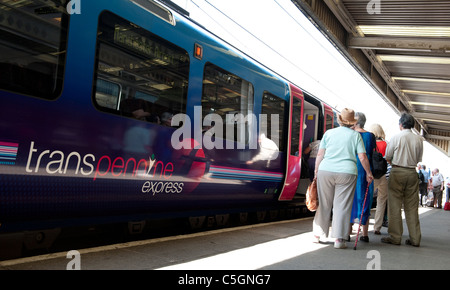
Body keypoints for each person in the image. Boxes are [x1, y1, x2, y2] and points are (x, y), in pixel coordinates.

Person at [312, 108, 373, 249]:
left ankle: (317, 235)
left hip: (326, 170)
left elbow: (320, 154)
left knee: (324, 203)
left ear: (340, 120)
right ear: (352, 123)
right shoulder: (355, 135)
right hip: (347, 173)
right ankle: (339, 240)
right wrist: (368, 172)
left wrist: (316, 170)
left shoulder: (329, 133)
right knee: (342, 205)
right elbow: (362, 157)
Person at [382, 112, 423, 247]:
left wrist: (395, 164)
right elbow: (418, 159)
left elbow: (388, 156)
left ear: (401, 125)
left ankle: (395, 237)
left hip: (397, 171)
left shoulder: (396, 137)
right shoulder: (418, 140)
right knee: (411, 207)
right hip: (412, 173)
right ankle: (415, 238)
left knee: (395, 206)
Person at [349, 112, 376, 242]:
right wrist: (369, 172)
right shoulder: (370, 136)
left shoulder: (351, 135)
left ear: (355, 122)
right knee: (364, 199)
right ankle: (364, 234)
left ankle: (347, 232)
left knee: (350, 199)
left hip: (351, 168)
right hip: (365, 170)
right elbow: (369, 153)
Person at [368, 123, 388, 235]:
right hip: (383, 176)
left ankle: (362, 223)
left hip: (372, 175)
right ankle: (377, 227)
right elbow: (389, 160)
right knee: (382, 200)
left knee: (367, 198)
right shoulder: (386, 144)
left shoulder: (370, 143)